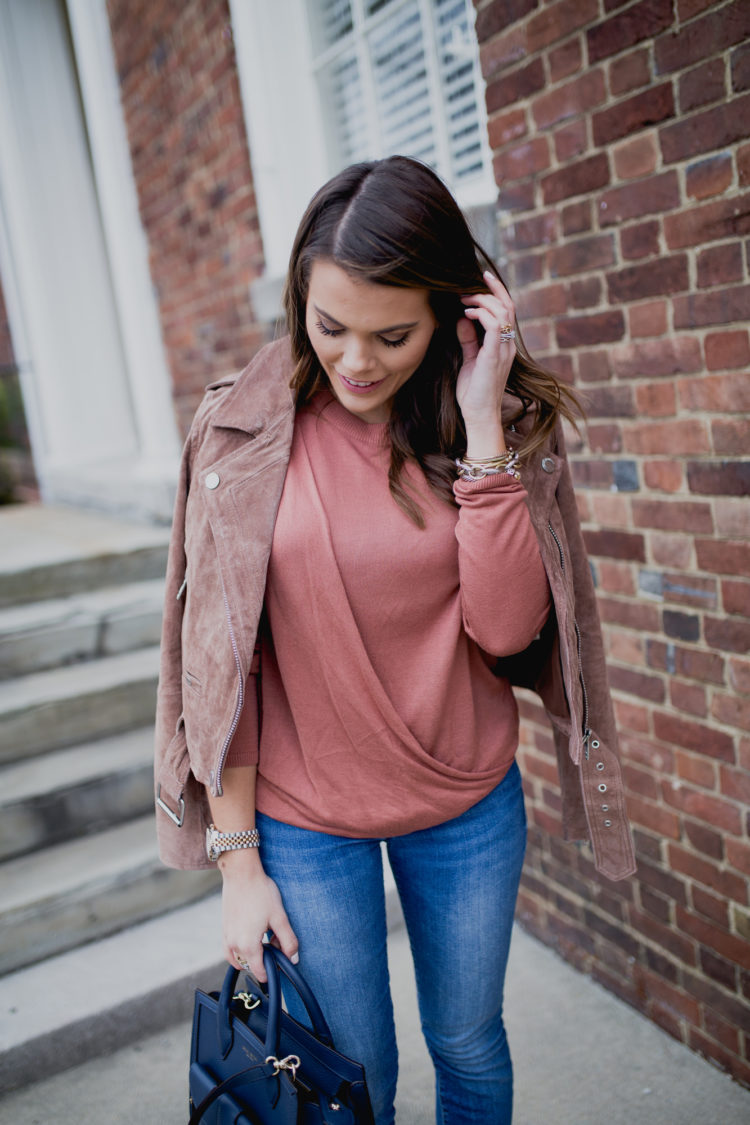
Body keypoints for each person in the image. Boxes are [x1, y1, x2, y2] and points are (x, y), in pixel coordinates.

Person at [154, 155, 635, 1124]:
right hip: (303, 818)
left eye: (393, 334)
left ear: (454, 314)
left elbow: (506, 631)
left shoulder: (499, 430)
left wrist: (484, 432)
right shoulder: (237, 437)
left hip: (464, 801)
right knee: (353, 1068)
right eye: (331, 328)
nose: (358, 361)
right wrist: (237, 866)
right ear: (300, 301)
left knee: (468, 1042)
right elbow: (225, 669)